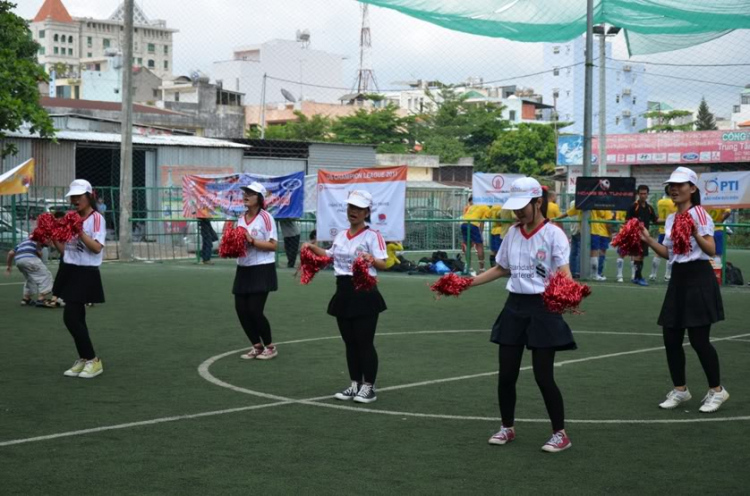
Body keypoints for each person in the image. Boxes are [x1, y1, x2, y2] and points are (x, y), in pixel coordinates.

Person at [471, 177, 575, 453]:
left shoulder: (554, 234)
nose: (517, 212)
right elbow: (501, 269)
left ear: (538, 202)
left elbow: (565, 274)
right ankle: (507, 427)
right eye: (514, 207)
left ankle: (560, 433)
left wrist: (568, 292)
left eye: (523, 207)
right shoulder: (513, 233)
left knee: (543, 375)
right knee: (506, 374)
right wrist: (467, 282)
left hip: (544, 308)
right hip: (514, 307)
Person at [640, 167, 728, 413]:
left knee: (700, 341)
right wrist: (648, 240)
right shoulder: (671, 218)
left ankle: (717, 391)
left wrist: (695, 233)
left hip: (699, 278)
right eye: (672, 185)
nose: (674, 189)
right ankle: (680, 390)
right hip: (679, 280)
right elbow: (671, 254)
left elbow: (710, 249)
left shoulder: (698, 213)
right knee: (671, 338)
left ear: (692, 188)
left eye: (680, 185)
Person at [302, 190, 387, 404]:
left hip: (365, 292)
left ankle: (369, 387)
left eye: (358, 208)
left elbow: (383, 263)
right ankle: (355, 384)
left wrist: (370, 259)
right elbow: (330, 256)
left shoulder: (372, 235)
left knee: (364, 342)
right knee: (350, 342)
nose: (353, 212)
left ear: (367, 211)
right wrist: (312, 247)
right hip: (343, 291)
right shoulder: (341, 235)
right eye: (351, 207)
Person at [51, 179, 106, 379]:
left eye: (79, 196)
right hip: (69, 270)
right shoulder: (70, 217)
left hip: (86, 272)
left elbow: (97, 248)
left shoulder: (96, 218)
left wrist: (79, 231)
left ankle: (93, 360)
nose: (75, 200)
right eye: (72, 196)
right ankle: (84, 358)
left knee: (71, 317)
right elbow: (66, 251)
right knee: (78, 318)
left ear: (89, 196)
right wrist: (53, 236)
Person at [235, 182, 279, 360]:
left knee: (254, 310)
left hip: (262, 268)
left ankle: (270, 346)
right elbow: (239, 244)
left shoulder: (266, 217)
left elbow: (273, 245)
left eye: (251, 193)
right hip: (243, 268)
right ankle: (256, 345)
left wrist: (251, 240)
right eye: (245, 192)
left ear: (259, 198)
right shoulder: (240, 217)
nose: (246, 195)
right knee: (241, 309)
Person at [5, 237, 60, 307]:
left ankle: (26, 299)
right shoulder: (39, 238)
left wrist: (9, 266)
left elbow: (10, 253)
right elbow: (43, 242)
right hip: (30, 259)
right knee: (45, 276)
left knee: (30, 278)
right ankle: (41, 299)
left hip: (18, 261)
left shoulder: (23, 242)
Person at [625, 185, 658, 286]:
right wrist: (634, 231)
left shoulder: (649, 208)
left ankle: (637, 277)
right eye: (641, 193)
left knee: (641, 257)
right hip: (636, 235)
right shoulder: (633, 206)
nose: (643, 195)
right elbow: (627, 221)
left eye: (645, 193)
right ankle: (637, 278)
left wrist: (669, 219)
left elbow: (655, 220)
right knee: (637, 257)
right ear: (638, 194)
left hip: (645, 236)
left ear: (648, 194)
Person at [651, 189, 677, 281]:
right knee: (670, 253)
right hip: (671, 230)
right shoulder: (673, 202)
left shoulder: (659, 202)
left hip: (662, 230)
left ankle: (653, 274)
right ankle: (667, 275)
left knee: (657, 253)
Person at [460, 196, 490, 273]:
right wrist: (481, 233)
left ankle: (469, 267)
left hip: (464, 224)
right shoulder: (486, 207)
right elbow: (482, 222)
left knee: (468, 245)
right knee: (479, 245)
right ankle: (481, 269)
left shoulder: (472, 206)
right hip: (472, 224)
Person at [487, 204, 514, 268]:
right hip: (500, 230)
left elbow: (489, 215)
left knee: (494, 251)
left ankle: (494, 267)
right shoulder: (502, 206)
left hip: (493, 230)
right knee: (500, 251)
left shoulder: (493, 206)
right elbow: (499, 216)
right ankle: (498, 267)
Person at [590, 209, 614, 281]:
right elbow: (608, 223)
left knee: (594, 253)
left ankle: (593, 273)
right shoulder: (607, 208)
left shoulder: (594, 207)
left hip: (594, 231)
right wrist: (610, 234)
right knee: (601, 253)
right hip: (603, 233)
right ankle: (598, 273)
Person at [614, 210, 634, 283]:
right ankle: (619, 275)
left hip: (632, 233)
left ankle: (633, 276)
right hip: (624, 234)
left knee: (633, 254)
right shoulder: (622, 207)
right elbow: (618, 221)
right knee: (622, 254)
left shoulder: (634, 207)